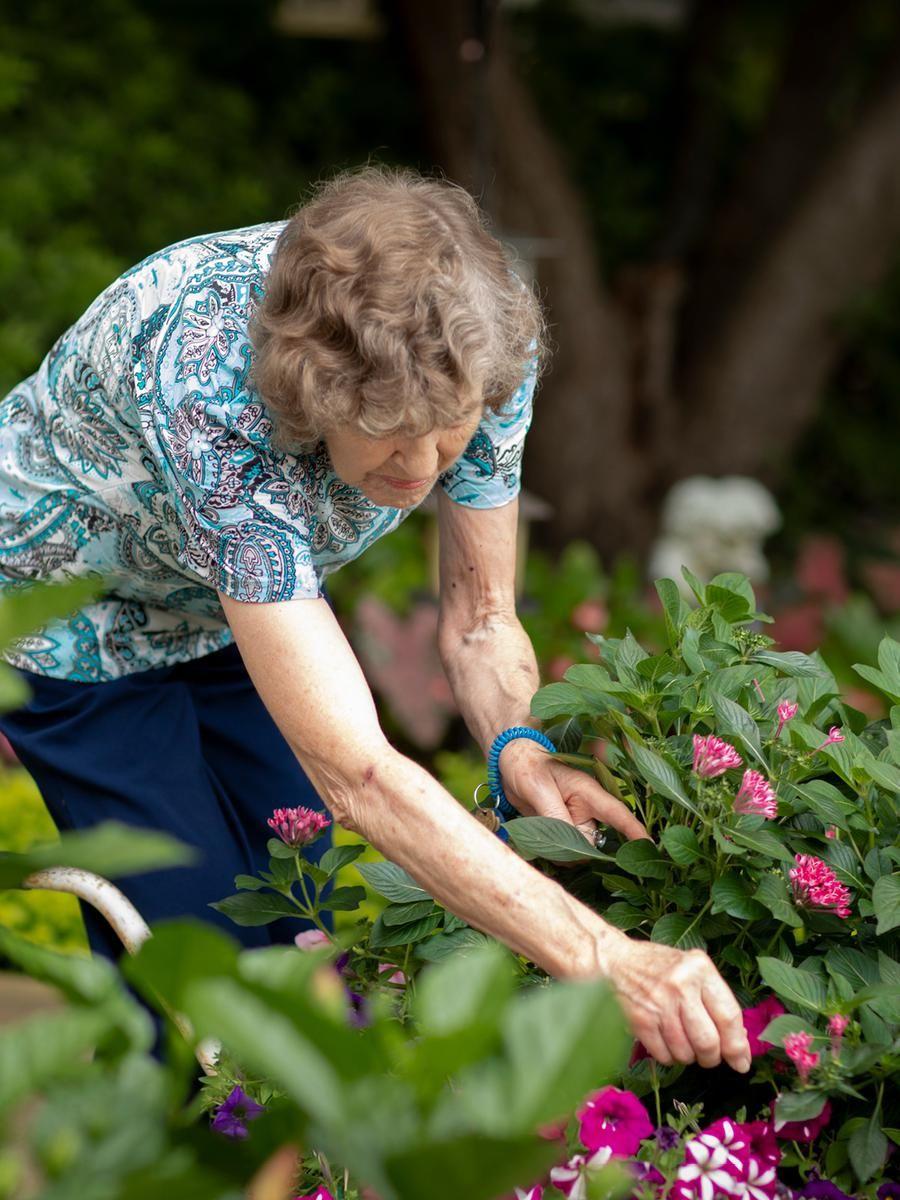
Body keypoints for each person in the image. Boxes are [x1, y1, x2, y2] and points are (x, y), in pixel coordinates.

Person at [0, 166, 750, 1073]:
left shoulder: (479, 347)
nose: (425, 465)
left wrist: (518, 743)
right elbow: (359, 774)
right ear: (312, 397)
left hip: (227, 604)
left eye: (451, 432)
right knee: (196, 948)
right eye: (391, 433)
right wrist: (603, 958)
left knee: (303, 903)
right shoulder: (212, 386)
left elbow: (480, 617)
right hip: (71, 615)